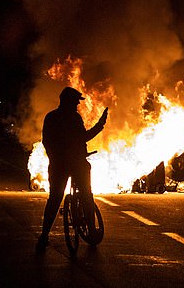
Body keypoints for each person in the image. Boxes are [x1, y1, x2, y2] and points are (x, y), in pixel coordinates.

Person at [36, 87, 108, 252]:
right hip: (76, 163)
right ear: (68, 101)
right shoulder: (74, 118)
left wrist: (54, 158)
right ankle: (91, 227)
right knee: (86, 195)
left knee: (54, 199)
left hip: (58, 165)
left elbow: (46, 141)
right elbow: (83, 137)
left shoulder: (51, 117)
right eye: (76, 101)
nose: (77, 104)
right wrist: (101, 124)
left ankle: (44, 236)